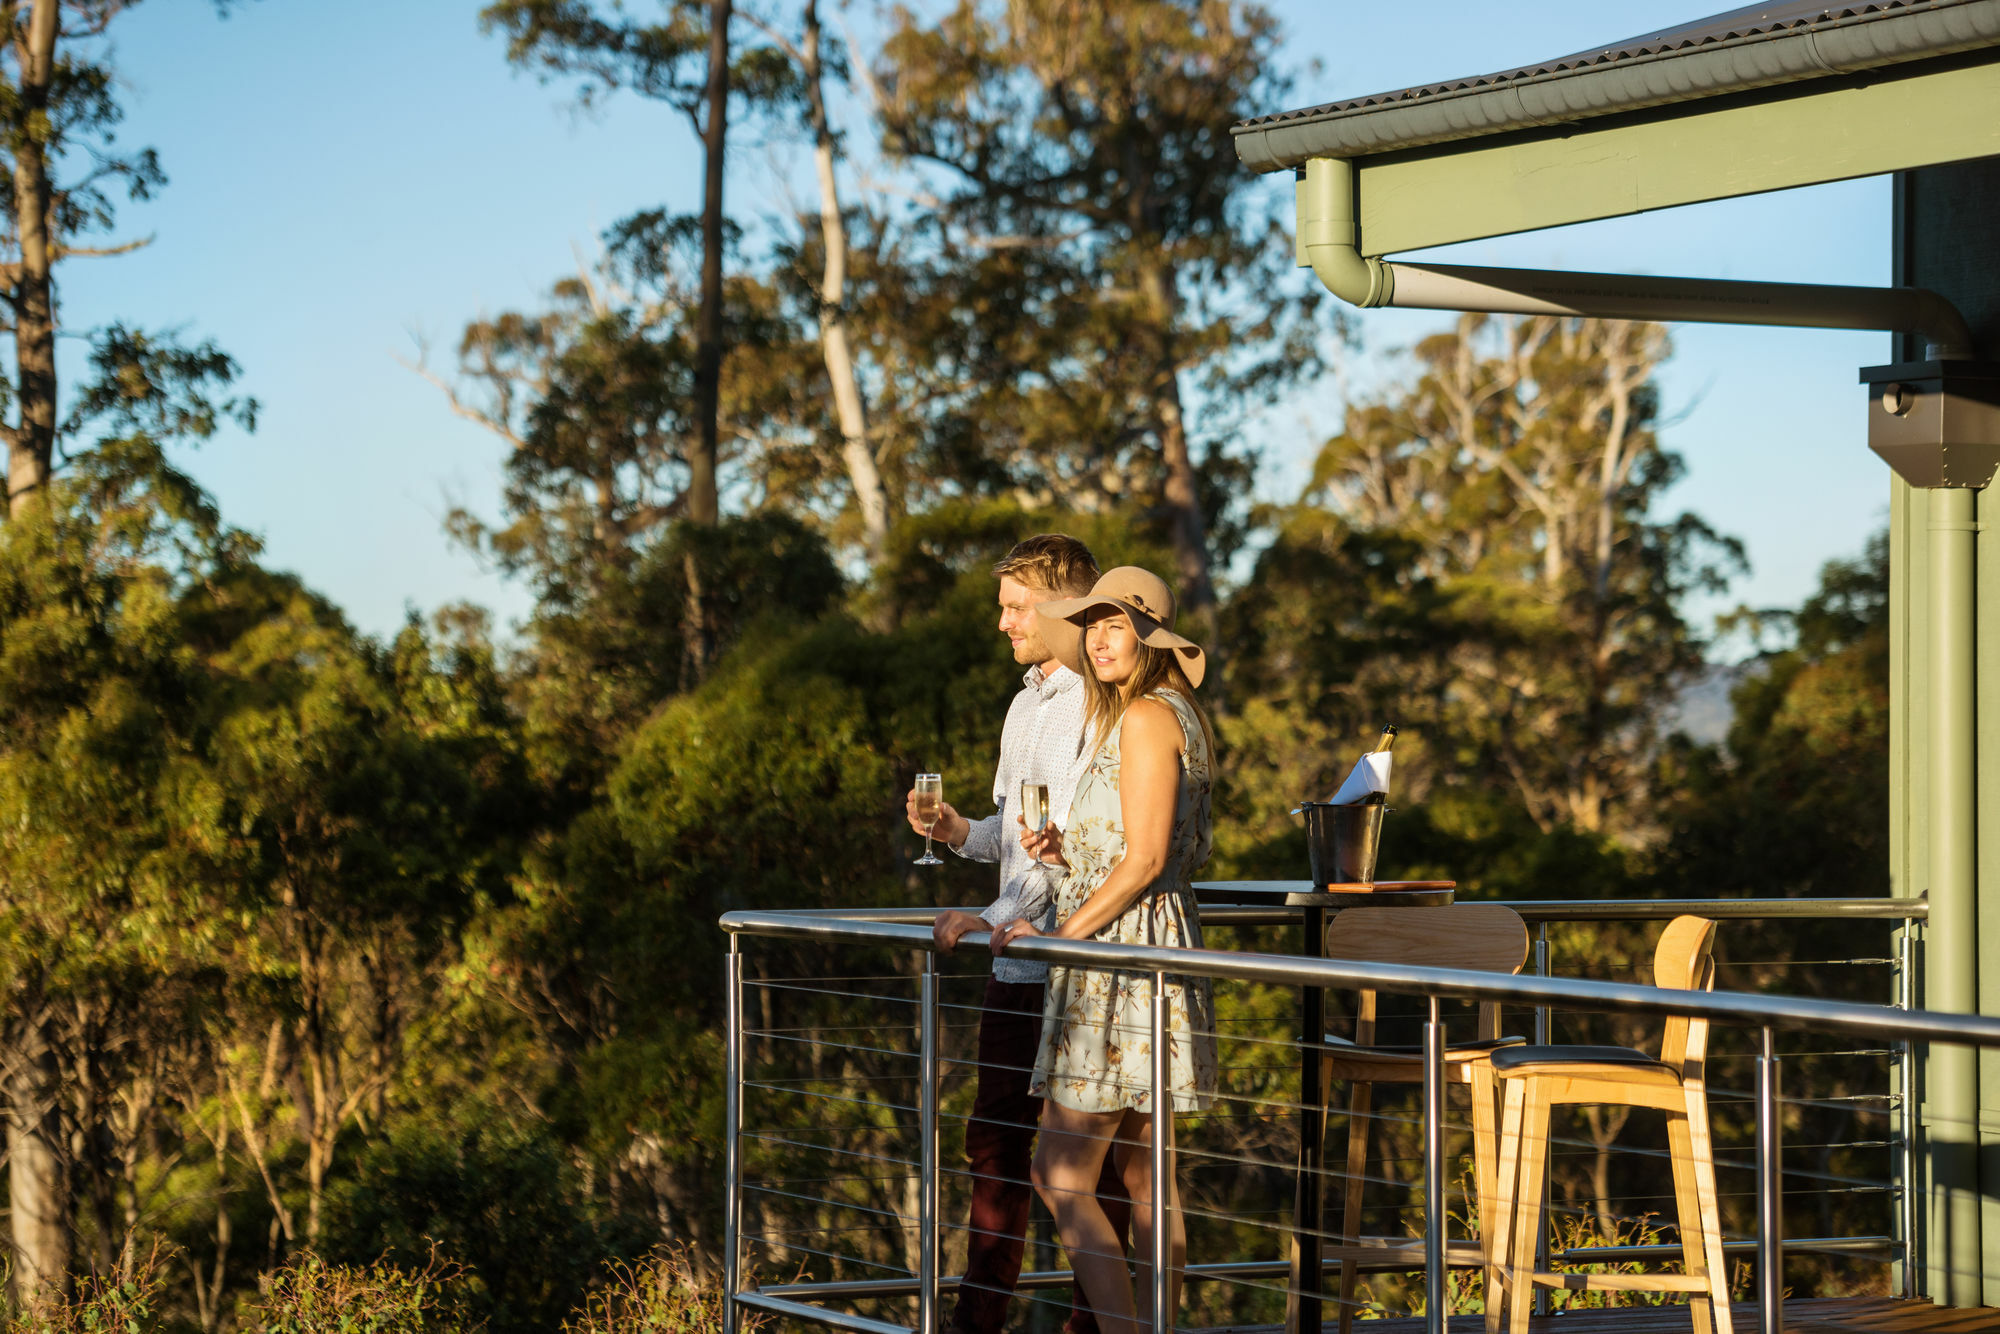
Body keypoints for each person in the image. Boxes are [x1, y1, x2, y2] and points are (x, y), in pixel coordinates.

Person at [903, 533, 1130, 1334]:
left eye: (1015, 607)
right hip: (1016, 962)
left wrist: (989, 918)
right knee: (997, 1147)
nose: (1003, 623)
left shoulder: (1099, 706)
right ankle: (983, 1320)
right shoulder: (1026, 702)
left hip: (1068, 965)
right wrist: (962, 829)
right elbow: (1021, 830)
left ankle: (1086, 1326)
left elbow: (1069, 844)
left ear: (1064, 605)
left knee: (1083, 1172)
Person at [989, 566, 1219, 1334]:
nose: (1098, 639)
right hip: (1148, 946)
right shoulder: (1166, 713)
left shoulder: (1149, 718)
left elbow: (1148, 859)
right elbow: (1134, 850)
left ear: (1150, 640)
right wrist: (1065, 856)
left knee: (1059, 1175)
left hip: (1119, 960)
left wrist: (1060, 938)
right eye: (1091, 625)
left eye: (1115, 625)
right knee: (1148, 1178)